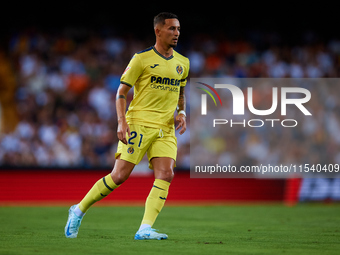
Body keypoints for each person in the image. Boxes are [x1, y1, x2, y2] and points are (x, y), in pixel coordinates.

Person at [65, 12, 190, 240]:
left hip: (166, 128)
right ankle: (79, 209)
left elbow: (181, 92)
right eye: (171, 29)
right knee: (119, 176)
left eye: (179, 29)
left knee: (166, 174)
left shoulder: (183, 63)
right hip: (139, 124)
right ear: (158, 31)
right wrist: (122, 122)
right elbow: (121, 92)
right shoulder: (141, 59)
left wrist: (181, 111)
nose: (176, 33)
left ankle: (144, 229)